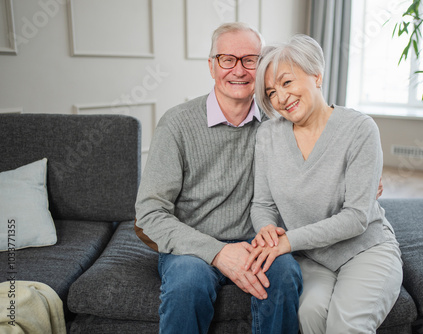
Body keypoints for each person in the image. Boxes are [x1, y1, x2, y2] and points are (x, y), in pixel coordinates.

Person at [134, 22, 302, 334]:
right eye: (227, 59)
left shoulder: (278, 124)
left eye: (250, 60)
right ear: (212, 66)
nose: (238, 70)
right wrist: (219, 252)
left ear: (262, 67)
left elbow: (322, 132)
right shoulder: (177, 124)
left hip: (257, 241)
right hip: (190, 245)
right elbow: (149, 214)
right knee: (187, 285)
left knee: (286, 275)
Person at [247, 34, 403, 334]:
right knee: (308, 315)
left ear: (316, 75)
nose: (280, 97)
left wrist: (288, 241)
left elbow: (357, 217)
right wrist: (266, 227)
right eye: (271, 91)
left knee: (345, 326)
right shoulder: (267, 135)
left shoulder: (360, 129)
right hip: (311, 258)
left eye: (287, 82)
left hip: (364, 249)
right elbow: (262, 204)